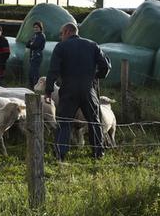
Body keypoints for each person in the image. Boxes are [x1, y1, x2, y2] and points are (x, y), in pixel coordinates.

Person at [45, 22, 111, 160]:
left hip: (68, 90)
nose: (60, 36)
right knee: (94, 121)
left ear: (68, 32)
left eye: (61, 33)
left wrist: (48, 91)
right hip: (88, 89)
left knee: (64, 121)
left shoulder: (61, 47)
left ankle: (60, 153)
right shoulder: (92, 45)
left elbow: (53, 71)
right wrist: (96, 76)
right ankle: (98, 153)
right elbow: (105, 65)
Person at [26, 20, 46, 89]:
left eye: (37, 27)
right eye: (34, 27)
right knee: (31, 74)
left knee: (34, 74)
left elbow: (35, 45)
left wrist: (31, 44)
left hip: (37, 56)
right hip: (32, 56)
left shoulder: (41, 36)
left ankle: (36, 88)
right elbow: (27, 44)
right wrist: (31, 44)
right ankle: (32, 88)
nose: (35, 28)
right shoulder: (35, 35)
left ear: (40, 28)